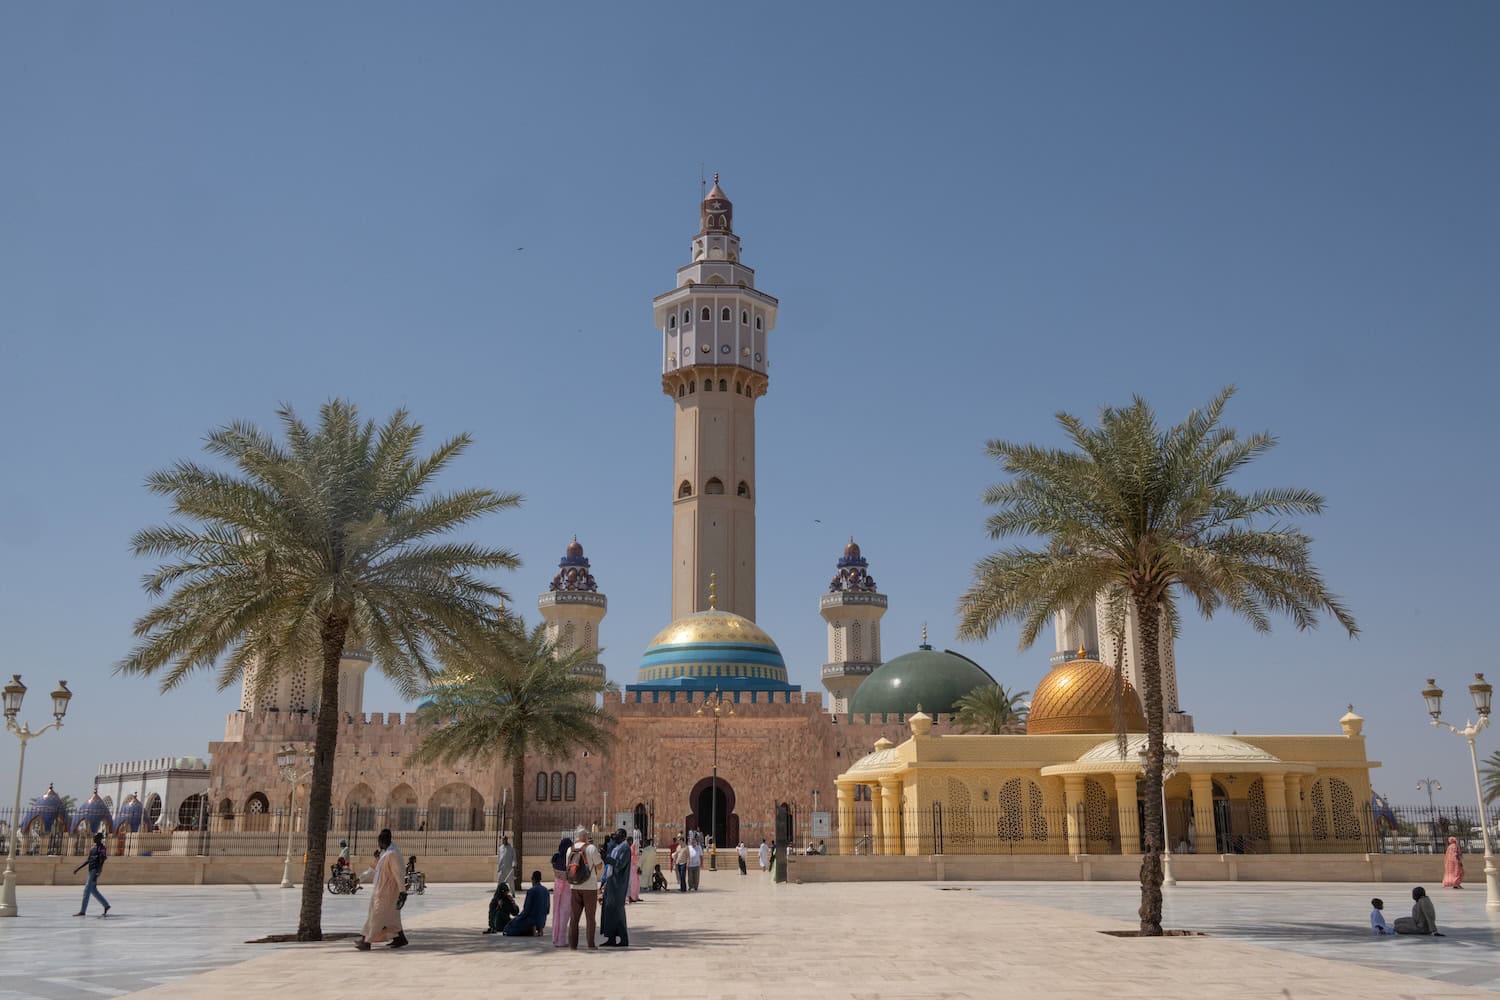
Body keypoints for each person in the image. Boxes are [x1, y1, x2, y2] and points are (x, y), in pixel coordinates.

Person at [357, 829, 407, 950]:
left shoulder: (392, 854)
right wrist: (359, 879)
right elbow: (374, 868)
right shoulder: (385, 853)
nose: (378, 845)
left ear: (384, 841)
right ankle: (400, 938)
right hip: (380, 889)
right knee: (391, 917)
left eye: (379, 842)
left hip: (387, 892)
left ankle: (367, 941)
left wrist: (402, 891)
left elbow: (398, 873)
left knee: (377, 916)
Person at [566, 826, 603, 950]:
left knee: (574, 918)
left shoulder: (569, 849)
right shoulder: (591, 848)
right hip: (590, 887)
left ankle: (572, 944)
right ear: (584, 836)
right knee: (590, 917)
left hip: (574, 886)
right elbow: (599, 866)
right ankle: (590, 944)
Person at [600, 828, 631, 947]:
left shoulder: (625, 848)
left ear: (623, 836)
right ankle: (611, 937)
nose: (614, 837)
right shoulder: (616, 848)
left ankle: (623, 939)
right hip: (611, 881)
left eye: (617, 835)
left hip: (618, 884)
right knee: (608, 909)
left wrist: (607, 858)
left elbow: (620, 864)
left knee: (617, 910)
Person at [72, 832, 111, 917]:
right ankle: (106, 905)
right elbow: (88, 860)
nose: (94, 838)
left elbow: (102, 859)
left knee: (87, 890)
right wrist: (78, 868)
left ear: (100, 839)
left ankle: (82, 911)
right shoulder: (93, 848)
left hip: (95, 870)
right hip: (91, 869)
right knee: (93, 890)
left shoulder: (102, 848)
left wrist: (98, 871)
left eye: (95, 837)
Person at [504, 871, 551, 936]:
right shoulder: (546, 891)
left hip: (531, 921)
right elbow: (547, 910)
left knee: (508, 928)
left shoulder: (531, 891)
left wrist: (517, 918)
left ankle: (531, 930)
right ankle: (538, 929)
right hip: (542, 921)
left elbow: (526, 910)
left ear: (533, 879)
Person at [551, 836, 574, 948]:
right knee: (564, 914)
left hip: (557, 887)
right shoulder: (569, 858)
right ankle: (561, 940)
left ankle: (555, 938)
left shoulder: (555, 858)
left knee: (556, 913)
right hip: (566, 888)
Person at [628, 831, 641, 903]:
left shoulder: (633, 848)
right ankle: (632, 897)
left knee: (637, 882)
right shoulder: (629, 849)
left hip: (635, 866)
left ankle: (636, 896)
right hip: (631, 867)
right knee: (633, 883)